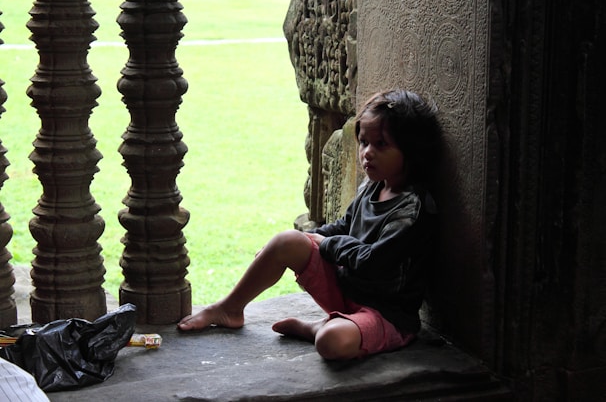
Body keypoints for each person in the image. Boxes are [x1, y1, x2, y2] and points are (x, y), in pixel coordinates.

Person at [178, 89, 443, 360]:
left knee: (332, 342)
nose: (367, 153)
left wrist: (326, 245)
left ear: (411, 150)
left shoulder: (413, 208)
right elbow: (343, 226)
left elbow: (373, 261)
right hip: (346, 290)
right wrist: (305, 242)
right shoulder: (373, 185)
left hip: (384, 315)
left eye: (381, 144)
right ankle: (229, 308)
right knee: (286, 241)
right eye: (363, 142)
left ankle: (318, 328)